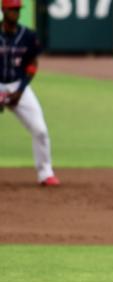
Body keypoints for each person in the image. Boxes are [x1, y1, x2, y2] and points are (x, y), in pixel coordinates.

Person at [1, 0, 59, 186]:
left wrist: (20, 90)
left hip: (19, 85)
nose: (16, 13)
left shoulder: (28, 36)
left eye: (18, 9)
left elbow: (32, 64)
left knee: (40, 130)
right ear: (3, 10)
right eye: (12, 9)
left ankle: (46, 173)